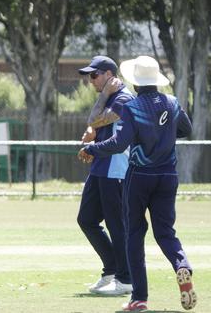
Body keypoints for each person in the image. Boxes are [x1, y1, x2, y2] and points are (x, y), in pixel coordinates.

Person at [79, 55, 196, 312]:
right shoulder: (172, 102)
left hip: (140, 177)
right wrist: (162, 130)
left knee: (134, 234)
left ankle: (139, 298)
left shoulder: (133, 106)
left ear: (136, 81)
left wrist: (92, 148)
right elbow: (186, 129)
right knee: (165, 232)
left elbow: (120, 144)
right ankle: (182, 266)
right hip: (168, 176)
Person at [76, 56, 134, 295]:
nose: (91, 81)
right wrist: (92, 135)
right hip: (101, 166)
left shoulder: (123, 97)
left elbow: (95, 119)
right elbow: (94, 124)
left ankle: (126, 279)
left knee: (116, 225)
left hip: (116, 169)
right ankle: (112, 269)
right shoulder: (110, 97)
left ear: (109, 74)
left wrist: (94, 127)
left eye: (94, 75)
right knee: (86, 219)